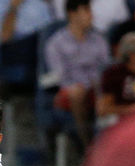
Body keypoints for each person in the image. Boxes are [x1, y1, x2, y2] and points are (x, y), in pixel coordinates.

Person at [43, 0, 111, 146]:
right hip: (69, 91)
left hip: (95, 89)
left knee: (109, 94)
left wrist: (97, 85)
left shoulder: (99, 40)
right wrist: (78, 87)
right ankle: (86, 146)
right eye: (86, 11)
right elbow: (58, 76)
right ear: (72, 14)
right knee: (76, 93)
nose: (91, 16)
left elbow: (106, 69)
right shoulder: (56, 43)